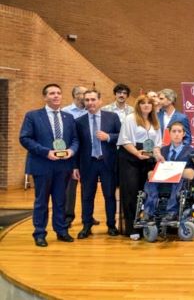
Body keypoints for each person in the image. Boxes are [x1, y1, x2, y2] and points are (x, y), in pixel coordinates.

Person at [19, 84, 79, 247]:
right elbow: (25, 138)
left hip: (63, 166)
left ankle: (61, 231)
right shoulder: (32, 116)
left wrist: (71, 152)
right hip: (42, 164)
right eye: (52, 93)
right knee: (41, 201)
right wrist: (46, 152)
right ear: (45, 97)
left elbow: (75, 140)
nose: (56, 96)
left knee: (60, 201)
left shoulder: (68, 117)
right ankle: (39, 233)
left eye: (59, 93)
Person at [74, 90, 122, 239]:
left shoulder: (112, 117)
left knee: (109, 196)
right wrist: (75, 166)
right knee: (87, 196)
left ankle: (111, 225)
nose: (90, 103)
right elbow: (77, 145)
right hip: (88, 164)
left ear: (100, 101)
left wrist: (108, 137)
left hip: (107, 163)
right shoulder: (79, 121)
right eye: (87, 100)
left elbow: (121, 136)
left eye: (93, 99)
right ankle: (86, 225)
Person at [117, 94, 164, 240]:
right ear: (138, 105)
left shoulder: (155, 121)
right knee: (131, 193)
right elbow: (125, 141)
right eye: (143, 103)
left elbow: (157, 143)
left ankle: (145, 224)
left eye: (149, 103)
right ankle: (132, 228)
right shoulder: (130, 119)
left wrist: (158, 154)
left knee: (147, 193)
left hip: (148, 159)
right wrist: (137, 153)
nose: (146, 105)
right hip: (131, 158)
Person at [140, 121, 194, 222]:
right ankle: (148, 212)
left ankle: (172, 212)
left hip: (180, 183)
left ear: (184, 134)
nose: (176, 134)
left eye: (179, 131)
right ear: (169, 134)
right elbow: (154, 170)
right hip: (163, 181)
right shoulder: (162, 151)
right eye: (174, 131)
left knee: (178, 181)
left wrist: (177, 172)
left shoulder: (191, 151)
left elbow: (193, 172)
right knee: (151, 181)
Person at [61, 85, 87, 228]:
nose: (85, 96)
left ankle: (87, 215)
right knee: (70, 187)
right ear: (75, 95)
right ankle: (68, 216)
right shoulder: (65, 111)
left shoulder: (90, 111)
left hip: (87, 154)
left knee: (88, 188)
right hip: (71, 154)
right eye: (82, 93)